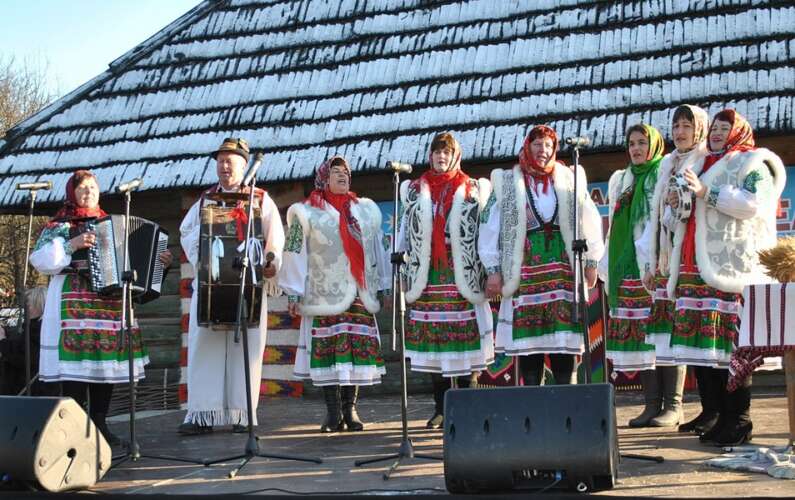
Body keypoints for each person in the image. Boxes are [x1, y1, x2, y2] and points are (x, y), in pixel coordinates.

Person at [667, 109, 785, 446]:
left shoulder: (752, 163)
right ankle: (719, 416)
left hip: (733, 266)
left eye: (724, 128)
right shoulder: (706, 162)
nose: (717, 133)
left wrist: (707, 193)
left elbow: (753, 204)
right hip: (702, 264)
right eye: (715, 128)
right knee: (712, 350)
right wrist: (680, 200)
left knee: (733, 349)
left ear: (738, 131)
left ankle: (740, 420)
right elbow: (694, 205)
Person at [29, 170, 171, 445]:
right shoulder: (60, 225)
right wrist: (71, 244)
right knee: (77, 367)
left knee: (105, 367)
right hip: (74, 305)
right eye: (82, 188)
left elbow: (133, 266)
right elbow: (41, 260)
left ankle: (99, 423)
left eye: (93, 187)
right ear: (72, 192)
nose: (88, 192)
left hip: (109, 306)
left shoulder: (112, 223)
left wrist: (159, 264)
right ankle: (76, 426)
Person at [480, 125, 603, 388]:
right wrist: (493, 269)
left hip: (562, 269)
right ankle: (533, 400)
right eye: (537, 144)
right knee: (529, 342)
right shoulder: (508, 182)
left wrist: (591, 261)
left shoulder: (569, 179)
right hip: (525, 269)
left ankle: (565, 399)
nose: (543, 150)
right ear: (527, 146)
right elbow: (489, 225)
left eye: (548, 145)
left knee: (563, 338)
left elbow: (588, 217)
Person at [178, 138, 285, 435]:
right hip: (212, 281)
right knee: (205, 348)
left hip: (248, 281)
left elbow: (274, 235)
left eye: (231, 161)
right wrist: (205, 250)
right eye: (221, 161)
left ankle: (242, 413)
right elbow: (187, 231)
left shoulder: (259, 199)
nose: (225, 166)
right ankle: (202, 414)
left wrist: (271, 259)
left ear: (244, 165)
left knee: (246, 349)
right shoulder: (205, 200)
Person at [279, 155, 389, 432]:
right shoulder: (305, 212)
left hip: (356, 292)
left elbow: (378, 248)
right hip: (323, 292)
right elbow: (293, 251)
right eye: (336, 172)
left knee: (352, 350)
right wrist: (293, 292)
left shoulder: (362, 211)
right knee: (329, 351)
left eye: (346, 172)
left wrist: (383, 284)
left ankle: (350, 410)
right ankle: (331, 412)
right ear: (324, 177)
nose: (343, 176)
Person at [399, 131, 494, 429]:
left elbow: (486, 231)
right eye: (437, 152)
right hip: (429, 275)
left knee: (466, 343)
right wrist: (401, 269)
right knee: (436, 344)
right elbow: (404, 232)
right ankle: (441, 408)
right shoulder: (414, 191)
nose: (441, 157)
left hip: (460, 271)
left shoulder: (472, 189)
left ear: (456, 156)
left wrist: (491, 269)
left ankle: (468, 407)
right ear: (430, 156)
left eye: (447, 152)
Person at [641, 105, 711, 428]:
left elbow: (688, 211)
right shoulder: (668, 163)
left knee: (684, 331)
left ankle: (677, 405)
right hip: (667, 257)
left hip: (690, 257)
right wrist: (651, 258)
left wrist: (675, 205)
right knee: (662, 331)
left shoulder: (703, 159)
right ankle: (658, 406)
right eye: (677, 125)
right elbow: (658, 217)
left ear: (699, 129)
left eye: (687, 125)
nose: (681, 131)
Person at [599, 123, 664, 427]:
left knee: (661, 336)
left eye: (642, 142)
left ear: (653, 145)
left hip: (655, 265)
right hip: (627, 267)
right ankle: (651, 405)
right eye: (632, 144)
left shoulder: (662, 173)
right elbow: (615, 224)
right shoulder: (622, 179)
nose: (636, 148)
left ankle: (672, 406)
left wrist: (655, 263)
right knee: (642, 339)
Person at [0, 286, 61, 396]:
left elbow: (24, 357)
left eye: (29, 304)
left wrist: (2, 340)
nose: (27, 308)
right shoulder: (39, 327)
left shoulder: (38, 329)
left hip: (31, 389)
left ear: (39, 305)